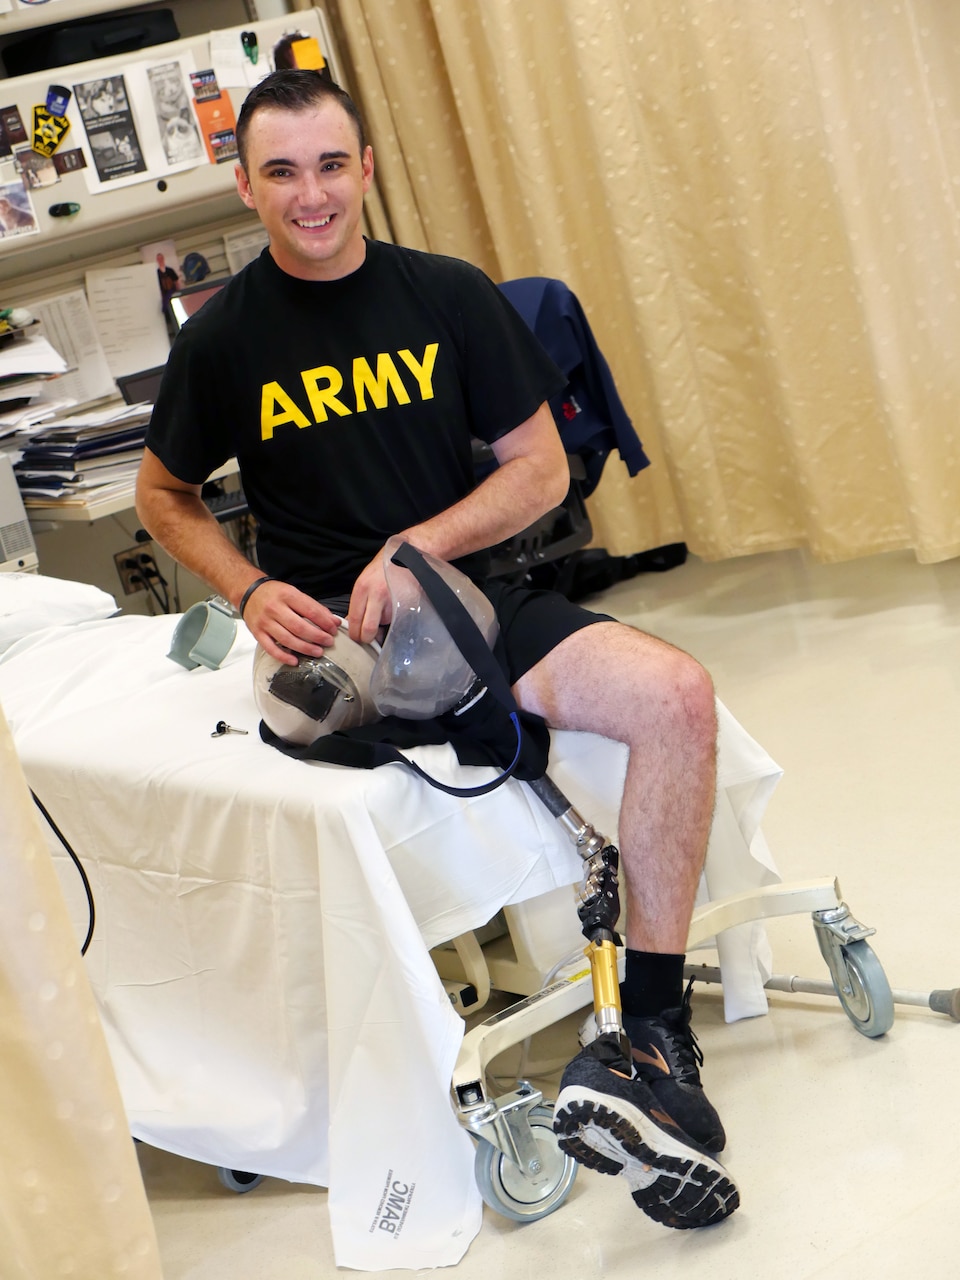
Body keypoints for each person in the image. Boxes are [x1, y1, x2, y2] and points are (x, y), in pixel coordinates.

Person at [135, 70, 737, 1230]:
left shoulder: (450, 296)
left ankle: (653, 1033)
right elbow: (167, 496)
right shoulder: (225, 342)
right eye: (282, 172)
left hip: (476, 603)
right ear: (246, 186)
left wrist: (421, 542)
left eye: (330, 165)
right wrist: (249, 589)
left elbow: (540, 469)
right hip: (336, 645)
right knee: (363, 738)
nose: (312, 196)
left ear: (366, 167)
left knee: (677, 696)